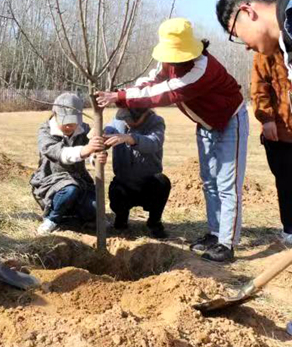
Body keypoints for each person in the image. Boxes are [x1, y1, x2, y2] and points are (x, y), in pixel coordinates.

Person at [96, 18, 249, 263]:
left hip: (230, 121)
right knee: (209, 182)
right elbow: (150, 81)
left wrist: (121, 96)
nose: (172, 60)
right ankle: (214, 234)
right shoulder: (168, 61)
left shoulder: (202, 69)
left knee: (226, 184)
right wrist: (123, 94)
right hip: (206, 124)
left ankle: (227, 244)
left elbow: (164, 93)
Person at [217, 0, 292, 246]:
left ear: (247, 11)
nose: (246, 45)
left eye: (237, 35)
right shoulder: (285, 39)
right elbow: (259, 88)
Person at [30, 93, 105, 235]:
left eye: (73, 122)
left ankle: (73, 213)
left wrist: (95, 157)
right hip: (52, 181)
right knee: (69, 190)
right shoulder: (45, 131)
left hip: (80, 180)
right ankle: (52, 218)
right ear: (55, 114)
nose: (69, 126)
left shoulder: (84, 129)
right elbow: (57, 153)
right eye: (66, 122)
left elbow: (91, 153)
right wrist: (84, 150)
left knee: (94, 207)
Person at [104, 107, 169, 239]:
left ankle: (154, 222)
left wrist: (130, 138)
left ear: (142, 114)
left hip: (148, 184)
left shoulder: (156, 122)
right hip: (124, 183)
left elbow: (154, 143)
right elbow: (107, 132)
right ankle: (121, 219)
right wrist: (100, 135)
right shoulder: (117, 121)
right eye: (124, 120)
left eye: (129, 120)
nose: (126, 123)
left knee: (162, 182)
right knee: (115, 190)